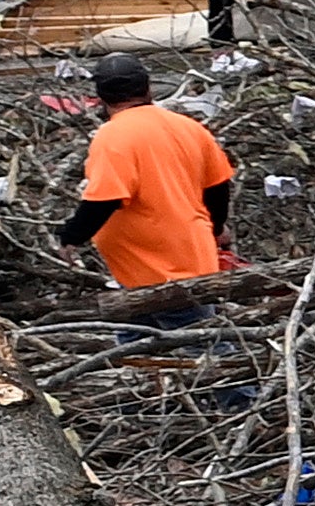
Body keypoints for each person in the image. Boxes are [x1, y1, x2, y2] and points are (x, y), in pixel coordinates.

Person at [67, 51, 235, 319]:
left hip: (156, 270)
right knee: (137, 343)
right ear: (148, 87)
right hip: (182, 260)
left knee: (200, 344)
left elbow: (103, 200)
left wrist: (70, 237)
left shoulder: (113, 136)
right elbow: (217, 187)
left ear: (100, 96)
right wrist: (216, 227)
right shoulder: (188, 127)